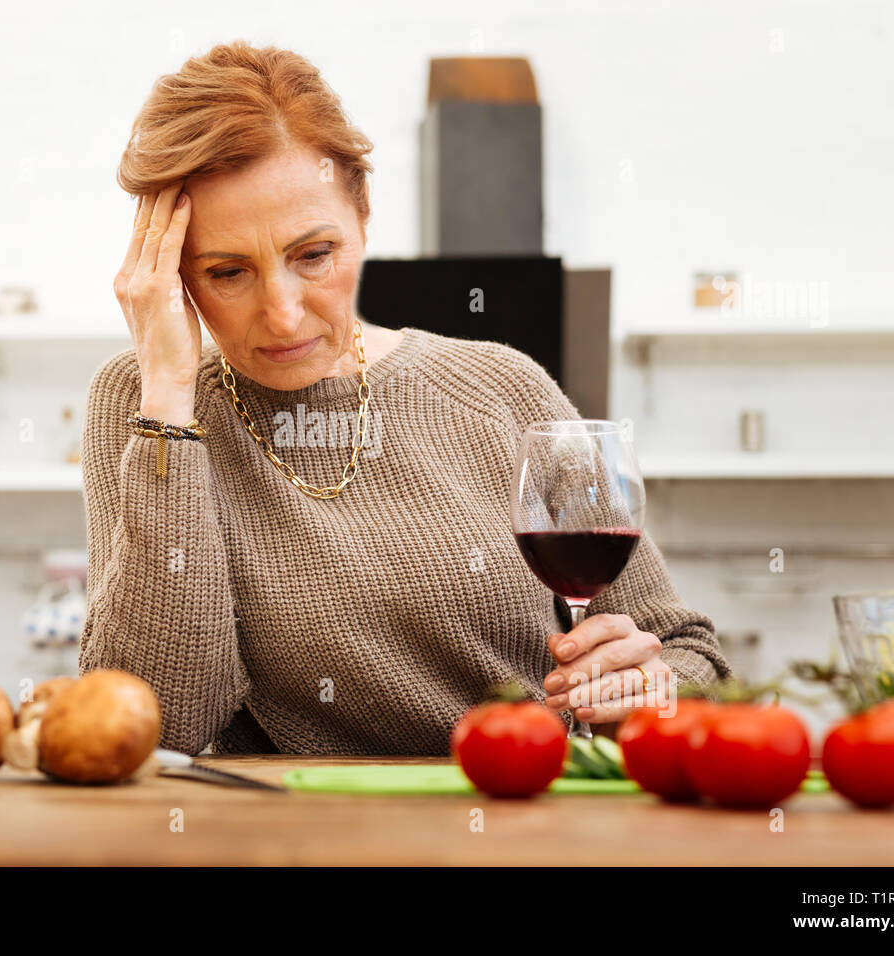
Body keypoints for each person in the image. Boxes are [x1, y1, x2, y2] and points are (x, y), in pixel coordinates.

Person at [80, 40, 731, 755]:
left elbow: (686, 654)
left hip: (533, 829)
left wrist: (643, 691)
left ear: (361, 216)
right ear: (169, 273)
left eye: (314, 255)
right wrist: (169, 401)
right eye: (228, 271)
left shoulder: (502, 389)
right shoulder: (146, 405)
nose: (285, 313)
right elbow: (157, 722)